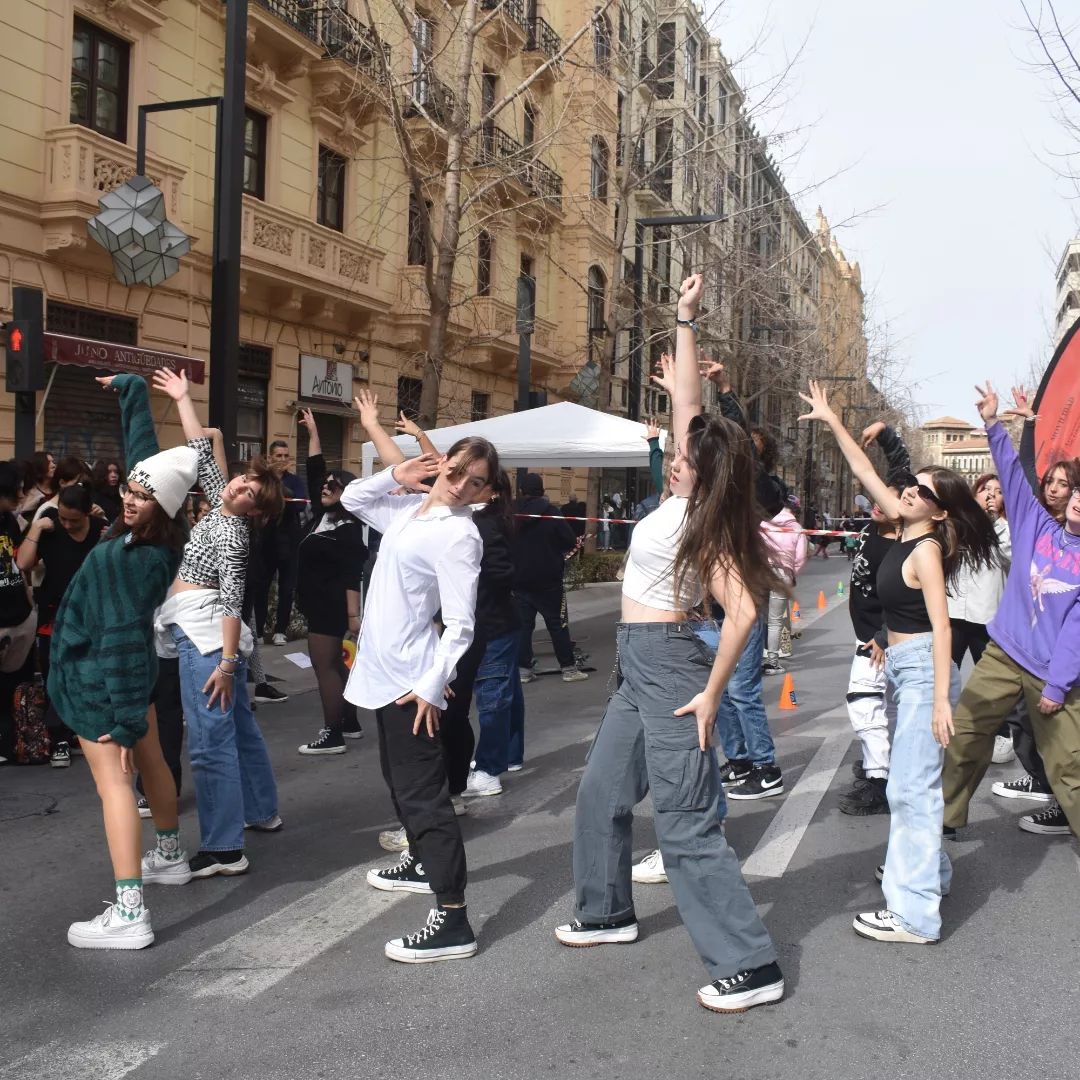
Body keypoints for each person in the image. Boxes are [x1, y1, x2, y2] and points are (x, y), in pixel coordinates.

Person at [557, 273, 785, 1015]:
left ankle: (749, 963)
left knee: (685, 823)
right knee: (600, 793)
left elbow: (745, 611)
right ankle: (605, 912)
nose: (673, 456)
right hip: (637, 662)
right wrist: (684, 320)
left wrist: (713, 692)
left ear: (703, 474)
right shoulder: (686, 492)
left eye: (684, 459)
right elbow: (688, 408)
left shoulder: (707, 524)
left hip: (673, 666)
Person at [799, 379, 997, 945]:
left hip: (922, 676)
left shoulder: (928, 549)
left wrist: (940, 699)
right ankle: (930, 874)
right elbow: (864, 470)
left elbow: (942, 627)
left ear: (938, 513)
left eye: (920, 492)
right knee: (909, 788)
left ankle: (914, 915)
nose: (908, 492)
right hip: (905, 669)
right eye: (910, 487)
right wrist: (833, 420)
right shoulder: (906, 530)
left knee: (911, 791)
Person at [48, 373, 199, 949]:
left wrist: (118, 712)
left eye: (139, 496)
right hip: (134, 672)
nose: (129, 498)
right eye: (129, 491)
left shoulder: (125, 561)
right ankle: (169, 855)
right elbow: (147, 462)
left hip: (102, 682)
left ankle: (130, 910)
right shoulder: (163, 534)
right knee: (154, 759)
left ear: (158, 505)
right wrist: (134, 392)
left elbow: (114, 638)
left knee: (115, 786)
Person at [340, 425, 498, 964]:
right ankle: (420, 862)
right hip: (383, 674)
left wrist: (433, 686)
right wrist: (396, 473)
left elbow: (461, 624)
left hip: (412, 682)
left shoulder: (459, 535)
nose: (460, 486)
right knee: (399, 783)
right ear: (442, 464)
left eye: (475, 483)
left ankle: (453, 918)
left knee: (424, 795)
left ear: (483, 492)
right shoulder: (408, 512)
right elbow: (350, 497)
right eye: (456, 472)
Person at [152, 368, 284, 879]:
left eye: (251, 491)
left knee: (209, 743)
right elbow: (200, 451)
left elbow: (233, 601)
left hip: (207, 639)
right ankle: (261, 812)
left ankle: (225, 848)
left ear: (257, 510)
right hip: (211, 637)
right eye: (243, 480)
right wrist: (185, 398)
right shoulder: (220, 508)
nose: (239, 486)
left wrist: (228, 664)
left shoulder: (232, 533)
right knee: (242, 731)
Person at [942, 383, 1080, 841]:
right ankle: (943, 819)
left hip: (1051, 673)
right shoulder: (1037, 525)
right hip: (1002, 654)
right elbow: (1014, 476)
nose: (1076, 496)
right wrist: (993, 423)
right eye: (1075, 490)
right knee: (964, 737)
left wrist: (1057, 685)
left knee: (1068, 767)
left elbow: (1075, 633)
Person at [835, 421, 911, 817]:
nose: (880, 500)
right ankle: (880, 770)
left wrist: (882, 635)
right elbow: (900, 467)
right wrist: (884, 433)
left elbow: (904, 598)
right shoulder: (875, 527)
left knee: (865, 703)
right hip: (870, 637)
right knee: (876, 706)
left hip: (883, 640)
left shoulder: (903, 542)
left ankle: (880, 781)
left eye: (891, 497)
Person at [294, 408, 368, 755]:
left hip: (331, 607)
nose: (324, 487)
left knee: (325, 666)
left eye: (333, 486)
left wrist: (353, 617)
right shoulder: (324, 518)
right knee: (337, 665)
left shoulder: (348, 528)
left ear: (347, 494)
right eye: (325, 484)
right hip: (319, 604)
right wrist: (313, 433)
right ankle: (349, 723)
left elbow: (353, 574)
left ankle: (333, 733)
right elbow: (314, 473)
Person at [16, 483, 107, 765]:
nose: (67, 524)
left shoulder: (101, 529)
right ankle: (58, 740)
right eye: (63, 518)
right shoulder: (51, 529)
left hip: (93, 616)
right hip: (55, 616)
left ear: (87, 514)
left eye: (74, 520)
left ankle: (79, 732)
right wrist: (36, 528)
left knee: (87, 676)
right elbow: (23, 562)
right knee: (57, 676)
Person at [513, 473, 588, 684]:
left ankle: (524, 670)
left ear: (521, 491)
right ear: (542, 490)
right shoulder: (552, 513)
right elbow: (569, 540)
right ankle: (569, 668)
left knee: (524, 627)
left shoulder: (513, 515)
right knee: (557, 624)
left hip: (520, 580)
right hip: (549, 579)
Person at [254, 439, 308, 645]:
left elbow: (300, 506)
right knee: (261, 587)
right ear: (270, 458)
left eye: (286, 456)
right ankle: (258, 630)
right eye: (279, 456)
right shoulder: (263, 480)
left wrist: (282, 491)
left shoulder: (294, 481)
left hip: (289, 541)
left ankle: (280, 631)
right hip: (266, 541)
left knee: (287, 588)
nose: (283, 460)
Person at [0, 461, 35, 765]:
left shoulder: (11, 520)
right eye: (16, 490)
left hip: (19, 614)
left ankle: (14, 743)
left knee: (15, 685)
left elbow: (19, 561)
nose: (21, 495)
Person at [18, 450, 55, 517]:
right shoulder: (29, 490)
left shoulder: (58, 488)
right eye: (48, 463)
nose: (53, 465)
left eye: (53, 462)